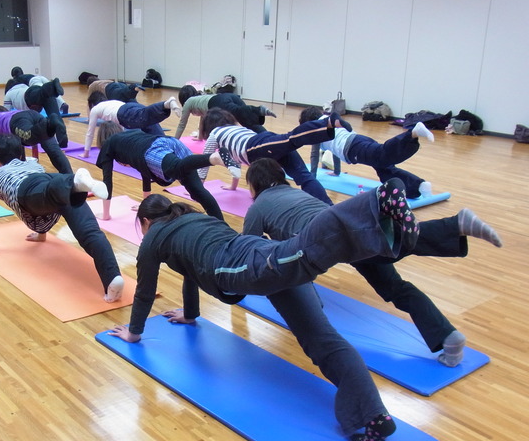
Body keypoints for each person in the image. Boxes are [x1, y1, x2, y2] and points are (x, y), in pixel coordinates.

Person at [107, 184, 421, 441]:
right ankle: (374, 416)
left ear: (146, 221)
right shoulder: (191, 218)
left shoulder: (154, 237)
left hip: (235, 264)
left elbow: (145, 291)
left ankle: (374, 201)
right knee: (322, 339)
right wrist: (191, 314)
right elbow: (189, 270)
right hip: (253, 248)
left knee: (303, 253)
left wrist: (134, 332)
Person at [242, 157, 503, 366]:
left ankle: (447, 222)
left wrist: (237, 287)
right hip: (340, 235)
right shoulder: (297, 193)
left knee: (387, 245)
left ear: (254, 185)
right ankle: (448, 337)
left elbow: (246, 250)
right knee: (393, 279)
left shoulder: (258, 206)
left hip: (329, 240)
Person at [0, 134, 124, 302]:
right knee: (91, 232)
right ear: (19, 154)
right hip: (55, 187)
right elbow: (44, 196)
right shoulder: (33, 163)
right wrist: (41, 234)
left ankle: (75, 184)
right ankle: (113, 277)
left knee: (46, 193)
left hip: (28, 192)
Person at [95, 122, 238, 221]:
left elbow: (107, 181)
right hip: (170, 142)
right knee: (197, 191)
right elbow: (143, 171)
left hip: (154, 149)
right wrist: (145, 204)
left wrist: (106, 215)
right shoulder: (130, 136)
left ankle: (214, 157)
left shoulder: (109, 144)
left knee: (175, 168)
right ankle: (222, 226)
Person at [197, 108, 336, 204]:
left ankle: (325, 125)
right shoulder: (236, 128)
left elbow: (204, 161)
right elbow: (235, 161)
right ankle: (329, 207)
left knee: (291, 139)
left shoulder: (215, 133)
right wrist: (233, 186)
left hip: (256, 146)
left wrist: (198, 189)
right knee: (304, 175)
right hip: (265, 143)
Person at [301, 106, 435, 199]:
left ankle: (412, 133)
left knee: (383, 155)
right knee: (385, 169)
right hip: (359, 139)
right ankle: (419, 186)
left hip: (353, 148)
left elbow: (314, 155)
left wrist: (312, 178)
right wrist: (336, 172)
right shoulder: (328, 119)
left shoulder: (316, 129)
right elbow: (332, 149)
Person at [82, 91, 181, 157]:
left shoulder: (95, 109)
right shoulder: (110, 103)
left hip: (124, 113)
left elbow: (90, 133)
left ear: (92, 104)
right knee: (153, 127)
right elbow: (121, 128)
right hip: (131, 106)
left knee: (145, 116)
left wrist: (86, 152)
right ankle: (171, 151)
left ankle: (165, 104)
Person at [0, 105, 72, 175]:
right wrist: (23, 165)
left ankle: (51, 124)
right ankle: (69, 177)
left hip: (19, 120)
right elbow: (20, 144)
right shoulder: (9, 114)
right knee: (53, 150)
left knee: (29, 138)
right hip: (33, 115)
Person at [174, 84, 277, 140]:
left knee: (239, 113)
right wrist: (200, 137)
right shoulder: (200, 99)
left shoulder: (188, 102)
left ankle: (258, 110)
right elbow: (202, 118)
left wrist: (174, 141)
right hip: (228, 97)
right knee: (247, 121)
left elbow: (182, 125)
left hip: (219, 102)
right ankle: (271, 138)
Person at [3, 76, 69, 148]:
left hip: (30, 98)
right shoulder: (24, 86)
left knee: (38, 96)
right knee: (56, 117)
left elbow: (6, 113)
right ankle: (62, 140)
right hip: (36, 93)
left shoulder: (8, 93)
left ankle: (51, 85)